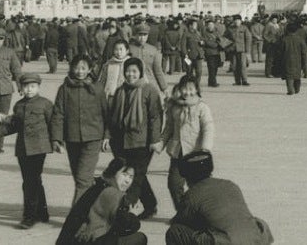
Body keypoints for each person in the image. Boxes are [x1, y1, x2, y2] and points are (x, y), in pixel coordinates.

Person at [166, 150, 273, 245]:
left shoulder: (192, 194)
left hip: (225, 241)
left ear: (188, 178)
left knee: (175, 232)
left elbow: (180, 222)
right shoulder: (230, 185)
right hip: (256, 240)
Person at [51, 54, 110, 204]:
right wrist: (57, 139)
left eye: (83, 68)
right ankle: (94, 208)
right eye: (77, 67)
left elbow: (106, 114)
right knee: (81, 178)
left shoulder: (97, 89)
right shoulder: (64, 89)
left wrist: (107, 136)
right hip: (72, 138)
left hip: (93, 138)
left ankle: (77, 219)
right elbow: (58, 113)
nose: (80, 71)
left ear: (90, 69)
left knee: (83, 179)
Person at [109, 58, 162, 219]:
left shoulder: (149, 90)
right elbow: (112, 117)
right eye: (128, 71)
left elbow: (155, 117)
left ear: (140, 72)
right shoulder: (120, 91)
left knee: (133, 177)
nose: (130, 74)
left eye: (134, 71)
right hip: (122, 141)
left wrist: (154, 140)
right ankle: (151, 205)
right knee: (138, 175)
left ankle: (124, 210)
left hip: (142, 142)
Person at [0, 72, 53, 229]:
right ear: (21, 88)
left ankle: (29, 216)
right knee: (34, 180)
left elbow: (53, 124)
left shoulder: (46, 104)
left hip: (39, 148)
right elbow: (14, 125)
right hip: (23, 148)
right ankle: (42, 212)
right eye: (26, 87)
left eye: (33, 86)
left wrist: (57, 141)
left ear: (38, 87)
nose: (29, 90)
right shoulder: (19, 105)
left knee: (30, 181)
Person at [57, 157, 147, 245]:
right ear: (113, 173)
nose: (127, 180)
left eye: (131, 177)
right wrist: (133, 215)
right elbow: (127, 226)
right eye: (124, 174)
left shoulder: (99, 185)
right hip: (83, 240)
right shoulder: (112, 194)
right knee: (140, 238)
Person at [157, 75, 215, 211]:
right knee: (174, 184)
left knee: (198, 187)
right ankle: (183, 212)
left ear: (196, 90)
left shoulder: (202, 107)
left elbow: (208, 127)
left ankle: (199, 213)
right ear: (180, 88)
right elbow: (169, 128)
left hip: (196, 153)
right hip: (178, 152)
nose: (187, 92)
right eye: (185, 88)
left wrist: (205, 148)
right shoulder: (175, 107)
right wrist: (161, 142)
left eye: (191, 89)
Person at [278, 20, 307, 95]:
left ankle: (290, 89)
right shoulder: (300, 39)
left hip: (287, 59)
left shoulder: (284, 39)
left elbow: (280, 51)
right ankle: (297, 88)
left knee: (289, 75)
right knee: (297, 74)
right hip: (298, 59)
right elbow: (304, 51)